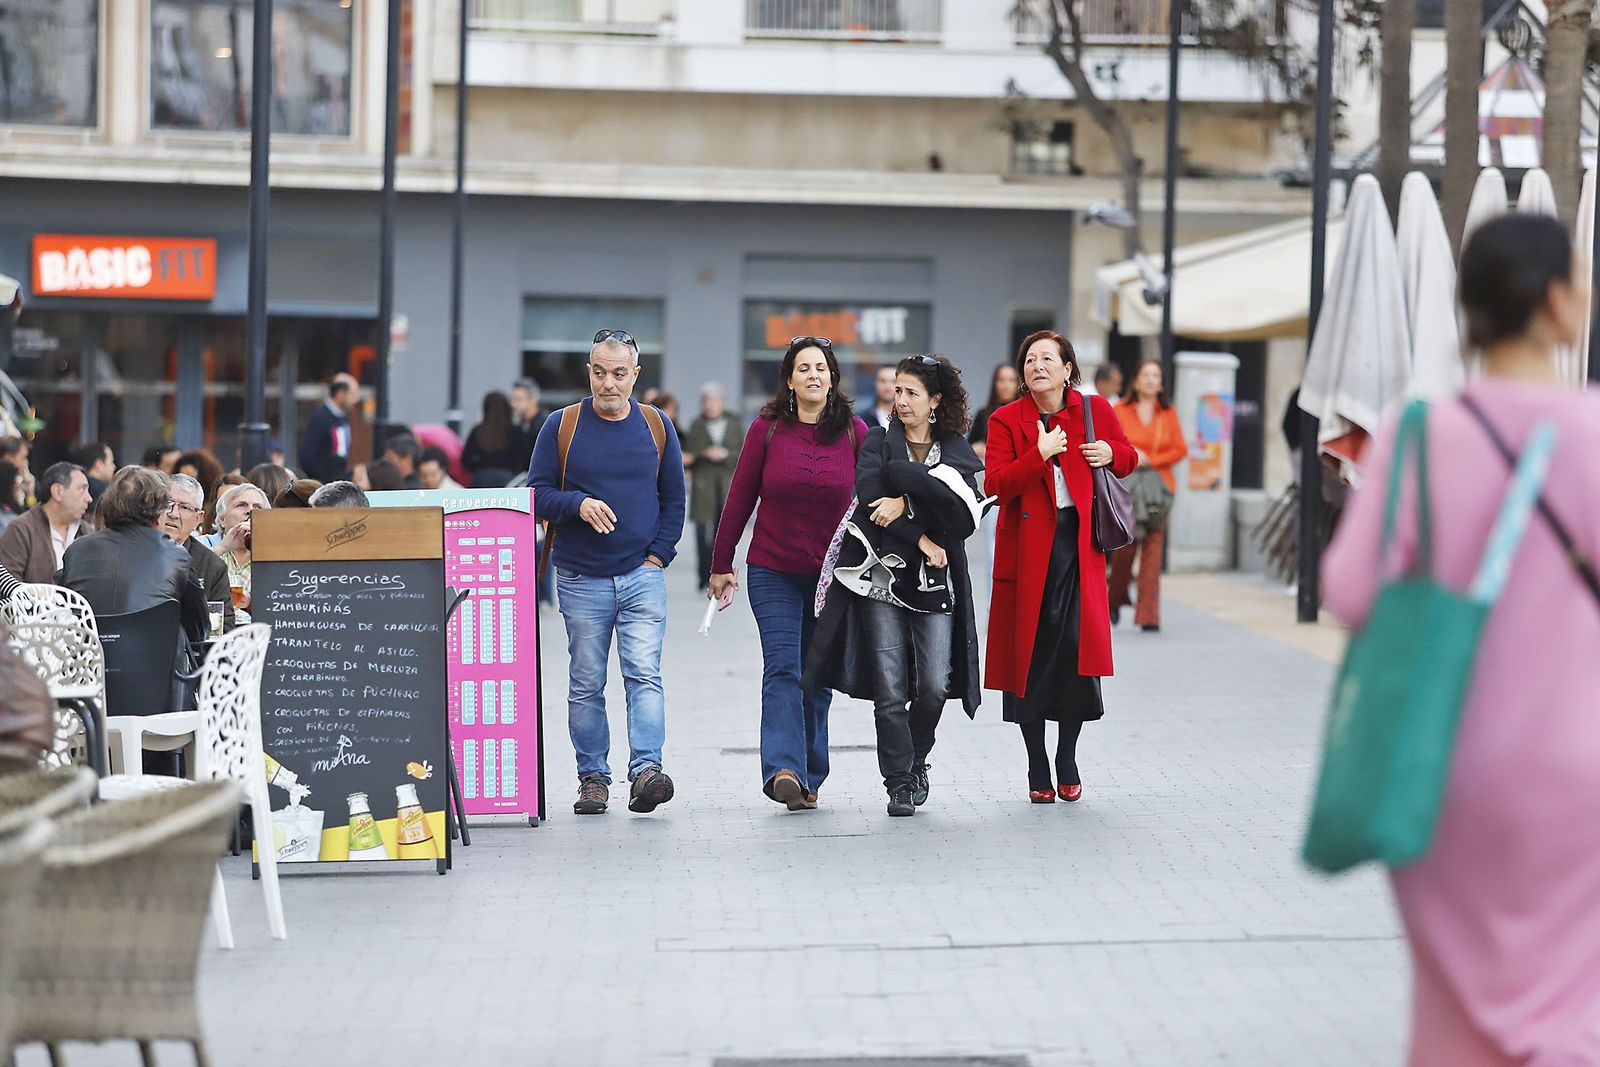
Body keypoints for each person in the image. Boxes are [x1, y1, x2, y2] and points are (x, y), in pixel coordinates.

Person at [1323, 214, 1600, 1066]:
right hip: (1578, 771)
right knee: (1569, 1001)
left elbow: (1347, 590)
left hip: (1443, 767)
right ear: (1557, 303)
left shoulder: (1418, 434)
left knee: (1454, 1015)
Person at [805, 354, 985, 817]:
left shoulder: (956, 448)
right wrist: (920, 531)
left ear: (934, 402)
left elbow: (961, 511)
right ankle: (900, 781)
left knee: (935, 683)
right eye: (897, 391)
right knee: (889, 688)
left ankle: (917, 756)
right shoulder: (879, 443)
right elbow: (870, 502)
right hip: (879, 578)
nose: (899, 400)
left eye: (911, 393)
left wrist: (904, 494)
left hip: (935, 580)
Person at [530, 328, 686, 818]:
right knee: (586, 681)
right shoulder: (562, 425)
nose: (609, 384)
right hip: (580, 578)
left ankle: (646, 771)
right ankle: (593, 777)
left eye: (619, 374)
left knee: (644, 675)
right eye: (600, 372)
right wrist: (577, 503)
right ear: (589, 372)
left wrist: (659, 554)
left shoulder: (657, 426)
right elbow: (534, 495)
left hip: (642, 576)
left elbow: (674, 497)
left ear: (635, 375)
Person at [710, 341, 868, 811]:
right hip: (773, 570)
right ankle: (783, 768)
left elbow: (874, 499)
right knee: (782, 667)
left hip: (833, 578)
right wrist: (722, 564)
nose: (814, 375)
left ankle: (810, 775)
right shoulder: (767, 429)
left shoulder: (856, 433)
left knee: (816, 676)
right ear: (790, 380)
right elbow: (739, 497)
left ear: (833, 377)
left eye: (822, 367)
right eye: (804, 368)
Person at [984, 330, 1136, 804]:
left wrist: (1112, 454)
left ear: (1069, 368)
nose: (1037, 366)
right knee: (1028, 660)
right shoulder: (1006, 419)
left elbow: (1128, 457)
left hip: (1079, 550)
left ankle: (1067, 755)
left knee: (1075, 655)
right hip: (1028, 554)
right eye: (1030, 360)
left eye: (1048, 358)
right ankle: (1036, 763)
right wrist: (1040, 454)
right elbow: (996, 483)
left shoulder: (1095, 413)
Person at [57, 467, 208, 683]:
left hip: (88, 683)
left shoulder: (77, 550)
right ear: (158, 509)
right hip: (156, 689)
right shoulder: (176, 556)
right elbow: (199, 631)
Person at [1110, 359, 1187, 632]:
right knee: (1124, 548)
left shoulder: (1168, 413)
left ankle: (1148, 615)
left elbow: (1180, 449)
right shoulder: (1119, 410)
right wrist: (1132, 456)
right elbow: (1109, 443)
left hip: (1158, 490)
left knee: (1153, 551)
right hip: (1126, 489)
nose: (1151, 380)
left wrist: (1151, 459)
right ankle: (1115, 597)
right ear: (1135, 381)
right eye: (1146, 375)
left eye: (1156, 375)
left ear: (1162, 384)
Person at [682, 384, 744, 590]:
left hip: (726, 484)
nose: (711, 406)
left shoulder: (734, 422)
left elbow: (742, 451)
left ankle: (718, 572)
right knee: (701, 532)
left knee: (722, 532)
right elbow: (690, 452)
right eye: (707, 402)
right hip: (703, 484)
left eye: (715, 401)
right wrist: (705, 453)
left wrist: (725, 454)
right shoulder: (697, 424)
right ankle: (702, 576)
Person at [163, 472, 234, 633]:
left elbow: (225, 625)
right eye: (167, 504)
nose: (173, 514)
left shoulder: (211, 565)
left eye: (184, 507)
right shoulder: (137, 551)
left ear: (198, 518)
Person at [0, 462, 91, 584]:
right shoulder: (21, 530)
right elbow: (8, 586)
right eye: (82, 489)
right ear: (57, 491)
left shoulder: (87, 532)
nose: (89, 498)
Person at [207, 482, 270, 615]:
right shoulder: (205, 544)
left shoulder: (275, 553)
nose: (250, 511)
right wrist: (222, 548)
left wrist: (252, 602)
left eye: (257, 507)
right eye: (241, 505)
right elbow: (187, 576)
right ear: (222, 519)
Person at [299, 373, 357, 482]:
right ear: (340, 393)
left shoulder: (342, 416)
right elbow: (308, 455)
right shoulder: (321, 418)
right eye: (352, 394)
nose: (355, 399)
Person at [463, 391, 523, 488]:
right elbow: (521, 458)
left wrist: (479, 468)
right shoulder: (515, 431)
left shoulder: (478, 430)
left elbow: (466, 459)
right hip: (507, 479)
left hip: (481, 479)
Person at [969, 361, 1023, 463]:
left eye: (1011, 380)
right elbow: (968, 447)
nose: (1006, 385)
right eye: (1001, 380)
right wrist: (975, 448)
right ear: (995, 384)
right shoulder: (983, 414)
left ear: (1018, 384)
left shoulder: (1024, 414)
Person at [174, 448, 225, 525]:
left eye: (191, 478)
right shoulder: (173, 505)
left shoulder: (213, 506)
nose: (185, 483)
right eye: (182, 477)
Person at [510, 378, 546, 471]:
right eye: (513, 399)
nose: (513, 404)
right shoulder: (519, 426)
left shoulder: (545, 425)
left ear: (533, 399)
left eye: (519, 399)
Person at [0, 461, 27, 533]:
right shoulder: (6, 519)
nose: (19, 489)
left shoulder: (15, 509)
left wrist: (30, 495)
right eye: (16, 487)